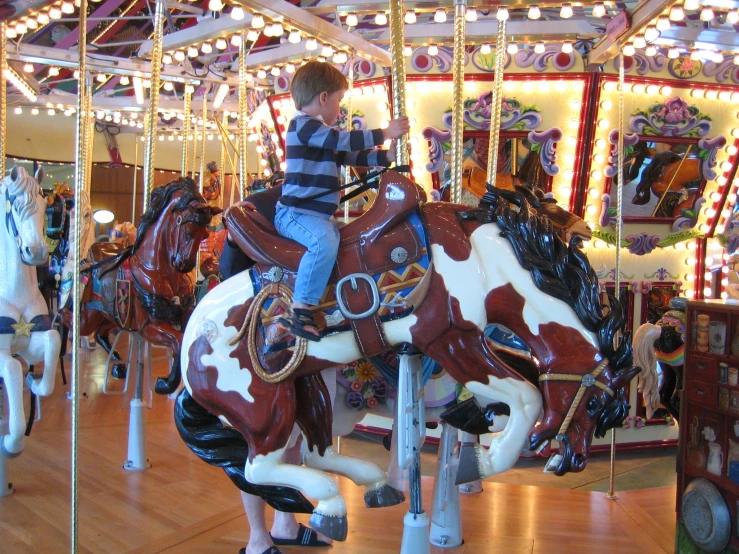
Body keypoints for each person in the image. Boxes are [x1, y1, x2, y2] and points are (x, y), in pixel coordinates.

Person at [275, 60, 410, 341]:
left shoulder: (320, 136)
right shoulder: (303, 127)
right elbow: (343, 142)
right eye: (339, 100)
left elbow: (353, 157)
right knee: (324, 241)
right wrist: (385, 132)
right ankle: (300, 309)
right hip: (295, 214)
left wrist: (387, 156)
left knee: (347, 237)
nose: (340, 107)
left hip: (314, 215)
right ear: (323, 98)